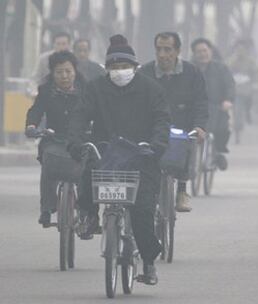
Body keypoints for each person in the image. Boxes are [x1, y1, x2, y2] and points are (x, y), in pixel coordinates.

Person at [67, 34, 170, 285]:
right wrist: (76, 141)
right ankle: (88, 216)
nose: (120, 71)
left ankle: (147, 262)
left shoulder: (151, 89)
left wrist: (156, 145)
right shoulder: (95, 88)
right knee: (88, 171)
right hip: (107, 152)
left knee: (143, 212)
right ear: (107, 69)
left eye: (124, 67)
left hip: (142, 155)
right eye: (114, 67)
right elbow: (80, 117)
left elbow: (162, 121)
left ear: (135, 67)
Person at [140, 32, 209, 213]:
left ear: (178, 50)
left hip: (182, 127)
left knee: (187, 147)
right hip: (152, 127)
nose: (163, 54)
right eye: (159, 49)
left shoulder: (192, 72)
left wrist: (199, 126)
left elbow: (201, 102)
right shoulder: (144, 73)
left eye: (168, 49)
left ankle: (182, 190)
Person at [25, 50, 86, 227]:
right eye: (59, 72)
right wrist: (31, 126)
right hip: (53, 137)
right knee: (48, 164)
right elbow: (36, 110)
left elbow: (96, 111)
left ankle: (86, 209)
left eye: (68, 71)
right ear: (52, 73)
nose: (64, 76)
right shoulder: (45, 90)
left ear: (75, 71)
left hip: (79, 139)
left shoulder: (87, 89)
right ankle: (47, 207)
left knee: (86, 168)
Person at [191, 37, 235, 169]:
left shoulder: (221, 68)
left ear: (210, 51)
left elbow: (230, 86)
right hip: (195, 108)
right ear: (194, 54)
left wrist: (228, 100)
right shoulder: (189, 69)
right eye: (199, 51)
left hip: (217, 107)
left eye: (205, 50)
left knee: (222, 129)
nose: (203, 54)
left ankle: (218, 154)